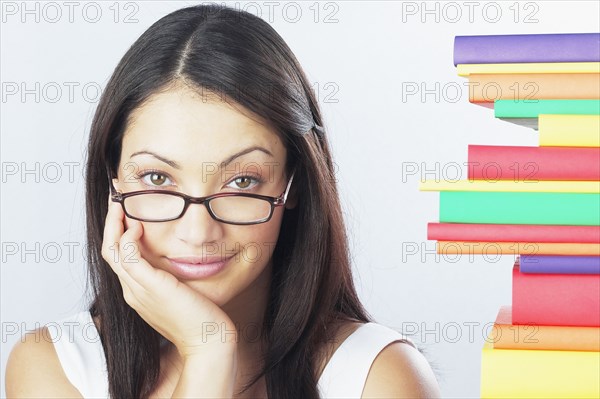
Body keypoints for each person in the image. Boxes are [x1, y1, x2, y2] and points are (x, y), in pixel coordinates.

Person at [5, 4, 440, 398]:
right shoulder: (56, 369)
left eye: (243, 182)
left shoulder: (377, 378)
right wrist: (208, 351)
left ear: (294, 186)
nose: (197, 233)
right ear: (113, 182)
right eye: (157, 178)